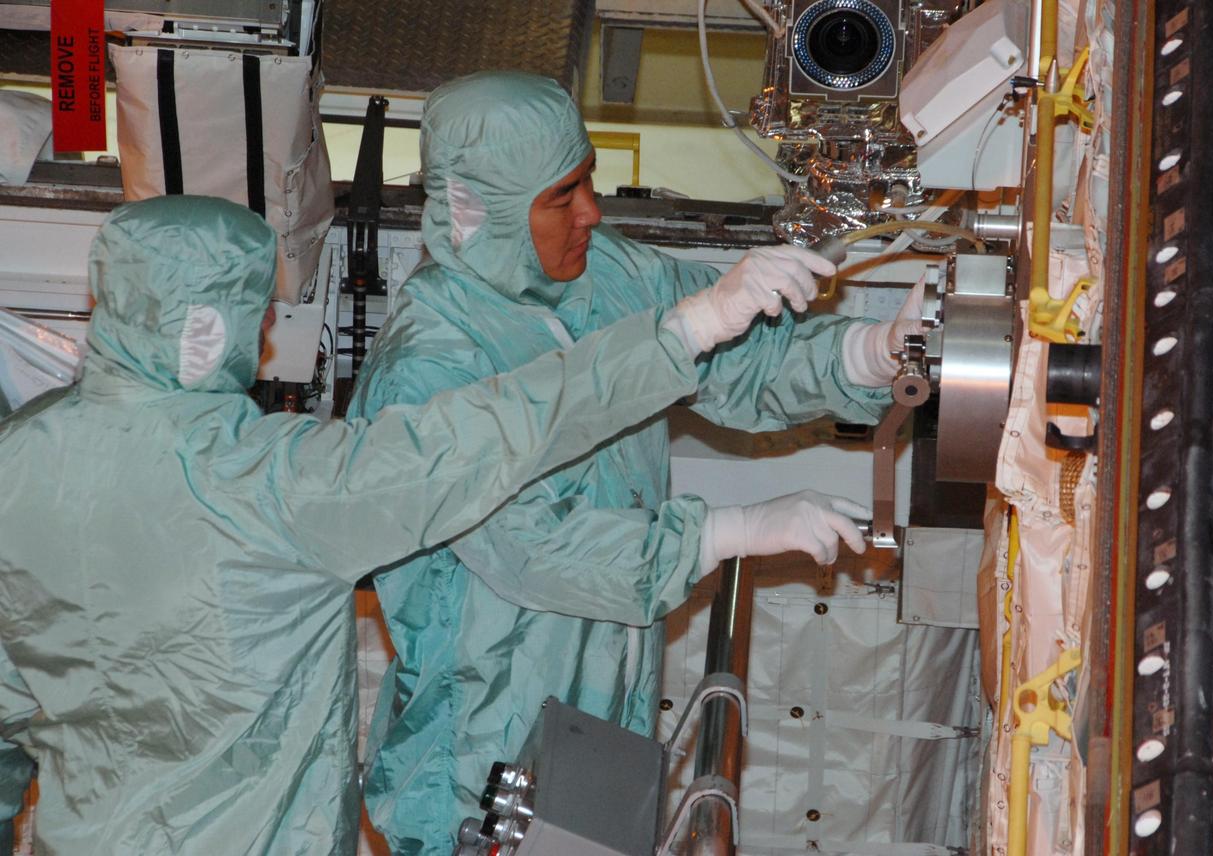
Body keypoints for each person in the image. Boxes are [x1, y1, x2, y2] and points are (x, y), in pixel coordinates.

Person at [0, 193, 800, 855]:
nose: (267, 334)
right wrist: (688, 329)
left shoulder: (20, 457)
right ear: (205, 330)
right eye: (257, 316)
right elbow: (482, 436)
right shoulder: (270, 481)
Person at [349, 71, 925, 853]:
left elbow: (738, 356)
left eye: (588, 179)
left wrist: (867, 353)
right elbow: (534, 550)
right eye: (562, 197)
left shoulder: (603, 275)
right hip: (482, 749)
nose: (591, 211)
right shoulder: (428, 369)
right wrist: (726, 532)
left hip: (609, 696)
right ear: (478, 211)